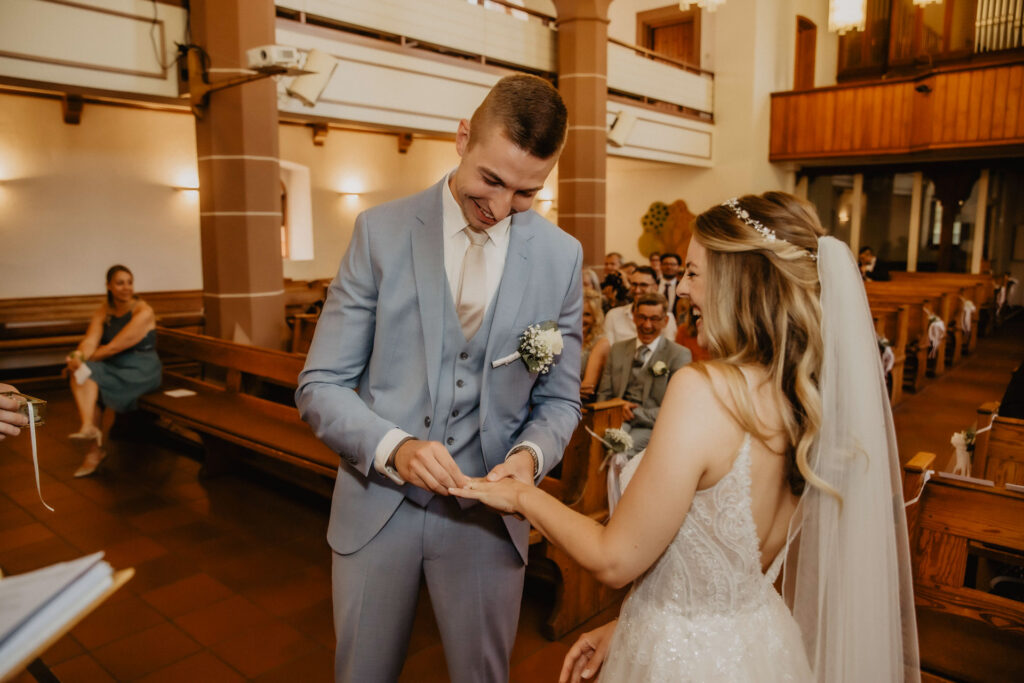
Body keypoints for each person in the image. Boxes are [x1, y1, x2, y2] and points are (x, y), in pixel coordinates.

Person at [453, 192, 919, 683]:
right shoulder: (810, 398)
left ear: (739, 280)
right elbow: (721, 568)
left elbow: (613, 559)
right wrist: (627, 624)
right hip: (760, 647)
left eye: (694, 273)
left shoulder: (704, 391)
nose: (682, 290)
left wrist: (521, 495)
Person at [296, 74, 583, 683]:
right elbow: (319, 384)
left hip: (487, 516)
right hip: (378, 508)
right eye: (492, 180)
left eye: (527, 192)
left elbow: (560, 400)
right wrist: (392, 447)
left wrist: (530, 458)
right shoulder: (380, 232)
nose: (501, 206)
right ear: (461, 139)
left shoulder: (561, 257)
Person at [66, 265, 161, 477]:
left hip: (141, 369)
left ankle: (92, 448)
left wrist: (82, 361)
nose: (126, 287)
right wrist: (77, 357)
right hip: (115, 364)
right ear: (109, 286)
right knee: (80, 373)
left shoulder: (143, 311)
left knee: (87, 375)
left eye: (129, 282)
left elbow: (114, 347)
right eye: (120, 282)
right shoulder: (104, 310)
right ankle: (89, 430)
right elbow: (90, 340)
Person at [596, 293, 690, 453]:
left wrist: (633, 412)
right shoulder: (618, 349)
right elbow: (603, 396)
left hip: (651, 426)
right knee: (595, 445)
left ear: (665, 321)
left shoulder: (678, 355)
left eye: (654, 319)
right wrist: (615, 408)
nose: (647, 325)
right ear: (634, 317)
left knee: (620, 450)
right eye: (642, 317)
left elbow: (675, 409)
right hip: (614, 420)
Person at [603, 266, 677, 344]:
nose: (637, 290)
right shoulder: (613, 315)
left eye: (643, 285)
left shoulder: (665, 317)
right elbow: (607, 350)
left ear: (655, 287)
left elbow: (669, 351)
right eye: (634, 284)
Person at [581, 290, 610, 401]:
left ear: (595, 317)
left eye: (587, 314)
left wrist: (555, 392)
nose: (581, 319)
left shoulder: (601, 343)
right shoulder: (562, 337)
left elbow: (588, 388)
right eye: (578, 313)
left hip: (582, 407)